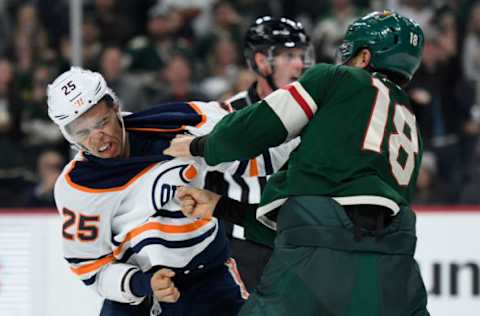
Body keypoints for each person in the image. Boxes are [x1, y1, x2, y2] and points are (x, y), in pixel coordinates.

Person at [164, 11, 430, 316]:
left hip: (318, 254)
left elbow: (259, 127)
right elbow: (331, 214)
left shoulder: (336, 79)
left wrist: (201, 145)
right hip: (396, 262)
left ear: (365, 55)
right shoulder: (409, 121)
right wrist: (220, 206)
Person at [47, 67, 295, 315]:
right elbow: (91, 268)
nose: (97, 138)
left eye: (102, 122)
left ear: (115, 109)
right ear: (69, 137)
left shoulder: (179, 123)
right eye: (82, 132)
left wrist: (306, 134)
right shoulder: (77, 187)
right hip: (138, 299)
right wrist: (142, 284)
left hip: (209, 283)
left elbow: (256, 145)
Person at [216, 15, 314, 292]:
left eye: (301, 55)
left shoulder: (317, 113)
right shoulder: (226, 114)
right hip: (242, 248)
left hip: (299, 245)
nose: (299, 64)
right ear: (261, 62)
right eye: (288, 55)